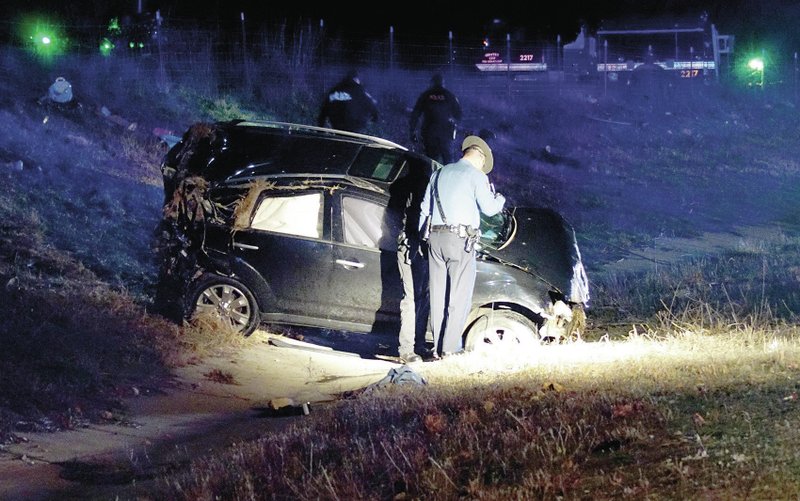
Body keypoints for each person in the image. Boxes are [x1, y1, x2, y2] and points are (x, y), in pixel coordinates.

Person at [419, 135, 506, 358]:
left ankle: (437, 347)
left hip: (435, 239)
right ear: (479, 158)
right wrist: (500, 199)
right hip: (460, 241)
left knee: (438, 296)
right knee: (459, 296)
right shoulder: (476, 176)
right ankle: (450, 349)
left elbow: (424, 210)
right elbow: (489, 209)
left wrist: (423, 238)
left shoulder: (438, 173)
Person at [390, 161, 432, 364]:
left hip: (409, 245)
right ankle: (411, 347)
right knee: (417, 298)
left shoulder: (400, 186)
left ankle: (411, 347)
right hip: (417, 247)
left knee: (414, 298)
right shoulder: (428, 185)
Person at [409, 73, 463, 164]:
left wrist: (412, 131)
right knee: (448, 161)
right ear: (443, 83)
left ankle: (431, 176)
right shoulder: (450, 95)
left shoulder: (425, 95)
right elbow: (459, 115)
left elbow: (415, 114)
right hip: (446, 134)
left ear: (432, 83)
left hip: (429, 133)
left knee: (430, 161)